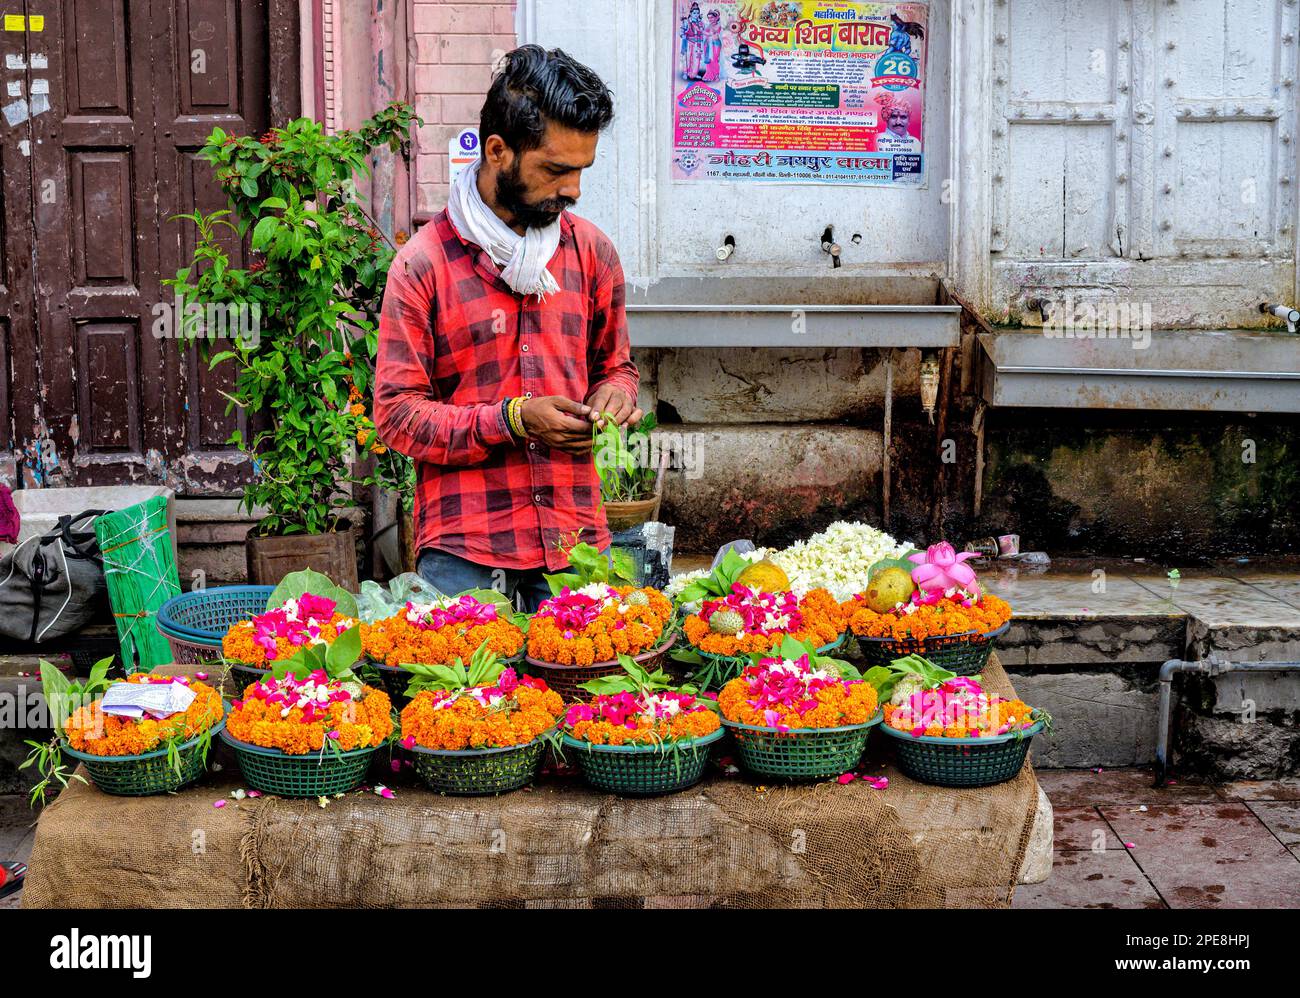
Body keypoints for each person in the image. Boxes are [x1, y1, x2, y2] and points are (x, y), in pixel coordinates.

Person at [374, 45, 641, 612]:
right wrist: (513, 419)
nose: (573, 190)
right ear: (497, 151)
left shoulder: (593, 255)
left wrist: (614, 398)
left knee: (592, 695)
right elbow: (396, 418)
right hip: (464, 544)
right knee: (459, 696)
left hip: (574, 539)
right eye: (555, 169)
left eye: (581, 170)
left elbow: (616, 367)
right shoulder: (423, 265)